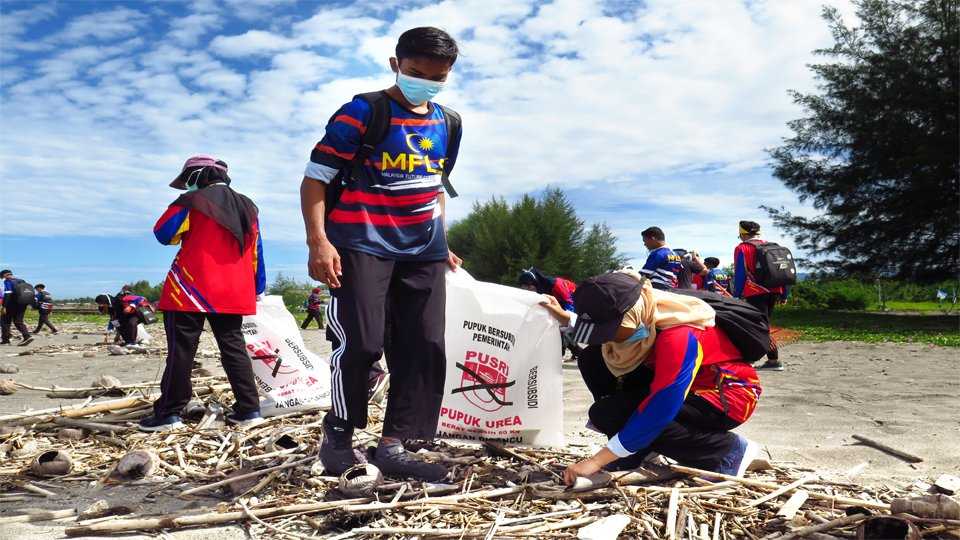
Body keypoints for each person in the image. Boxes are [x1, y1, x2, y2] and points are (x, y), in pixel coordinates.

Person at [300, 27, 463, 481]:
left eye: (438, 76)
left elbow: (437, 186)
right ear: (396, 64)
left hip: (423, 247)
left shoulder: (448, 123)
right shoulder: (363, 112)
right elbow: (315, 179)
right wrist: (319, 241)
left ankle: (394, 443)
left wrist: (442, 241)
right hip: (361, 242)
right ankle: (338, 434)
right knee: (364, 343)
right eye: (416, 72)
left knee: (425, 344)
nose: (426, 81)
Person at [541, 271, 762, 484]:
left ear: (630, 317)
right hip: (680, 383)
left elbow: (662, 406)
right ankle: (637, 448)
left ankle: (725, 450)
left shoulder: (679, 336)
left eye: (608, 331)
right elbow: (608, 324)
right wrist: (566, 317)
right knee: (593, 361)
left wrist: (596, 460)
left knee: (634, 418)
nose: (606, 339)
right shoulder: (642, 310)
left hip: (725, 394)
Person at [138, 155, 267, 432]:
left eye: (188, 180)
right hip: (234, 290)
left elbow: (164, 233)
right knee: (233, 348)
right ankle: (249, 409)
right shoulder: (249, 207)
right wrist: (257, 288)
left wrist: (184, 203)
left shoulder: (189, 202)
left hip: (190, 287)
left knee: (182, 350)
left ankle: (170, 413)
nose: (186, 185)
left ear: (197, 176)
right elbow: (257, 251)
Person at [733, 221, 787, 371]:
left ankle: (762, 360)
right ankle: (771, 359)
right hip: (775, 290)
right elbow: (783, 271)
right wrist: (784, 294)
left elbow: (740, 274)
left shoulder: (742, 248)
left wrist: (736, 295)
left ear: (743, 234)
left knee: (756, 326)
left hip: (755, 291)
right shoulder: (773, 246)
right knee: (763, 324)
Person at [518, 267, 580, 357]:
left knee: (562, 326)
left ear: (535, 282)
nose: (527, 289)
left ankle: (570, 349)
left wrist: (565, 322)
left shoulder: (556, 284)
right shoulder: (538, 288)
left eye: (528, 286)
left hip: (572, 298)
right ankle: (571, 349)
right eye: (524, 287)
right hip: (559, 301)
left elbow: (570, 305)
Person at [1, 269, 34, 346]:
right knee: (18, 321)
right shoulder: (21, 280)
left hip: (12, 304)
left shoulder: (8, 281)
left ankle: (5, 340)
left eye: (2, 277)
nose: (2, 278)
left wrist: (4, 306)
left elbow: (8, 294)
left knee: (5, 321)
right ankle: (27, 336)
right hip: (23, 304)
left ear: (5, 275)